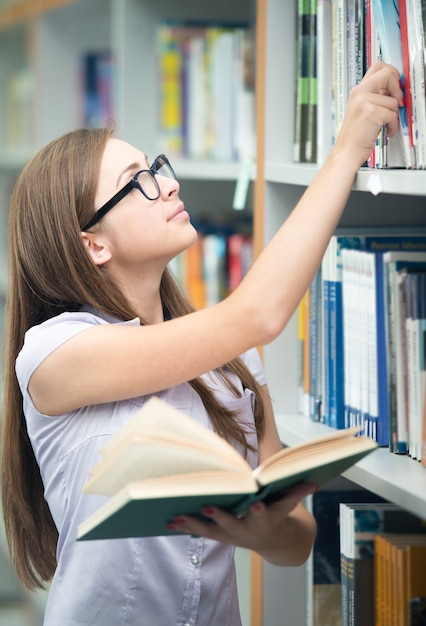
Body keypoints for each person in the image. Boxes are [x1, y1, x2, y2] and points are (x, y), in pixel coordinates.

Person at [1, 60, 402, 625]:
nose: (168, 184)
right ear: (92, 245)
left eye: (157, 167)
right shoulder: (54, 353)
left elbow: (298, 543)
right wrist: (344, 153)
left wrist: (269, 529)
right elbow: (258, 313)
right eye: (138, 182)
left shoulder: (233, 368)